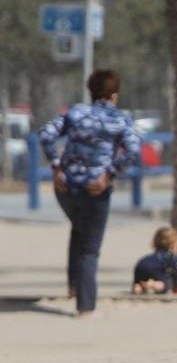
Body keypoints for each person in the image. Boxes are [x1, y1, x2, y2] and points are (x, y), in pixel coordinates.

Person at [38, 69, 141, 316]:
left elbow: (45, 134)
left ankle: (74, 285)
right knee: (90, 248)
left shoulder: (76, 112)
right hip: (95, 188)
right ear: (115, 95)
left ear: (91, 91)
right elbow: (133, 150)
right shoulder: (120, 119)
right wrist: (110, 173)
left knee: (80, 228)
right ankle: (85, 306)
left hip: (66, 185)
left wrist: (55, 166)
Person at [132, 226, 177, 295]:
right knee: (164, 284)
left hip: (141, 265)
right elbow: (176, 276)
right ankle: (153, 285)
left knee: (139, 282)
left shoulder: (149, 257)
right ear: (173, 244)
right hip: (155, 270)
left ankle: (139, 287)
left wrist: (136, 282)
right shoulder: (172, 257)